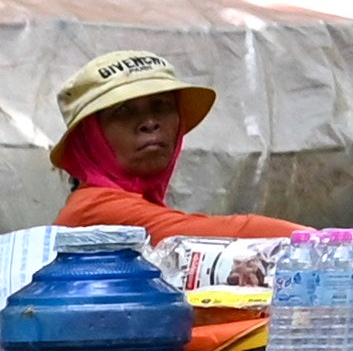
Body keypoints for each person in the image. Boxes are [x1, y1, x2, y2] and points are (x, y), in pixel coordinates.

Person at [45, 53, 298, 246]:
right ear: (90, 138)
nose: (150, 122)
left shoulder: (139, 205)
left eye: (161, 106)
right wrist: (322, 241)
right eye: (123, 111)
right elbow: (225, 234)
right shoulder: (94, 209)